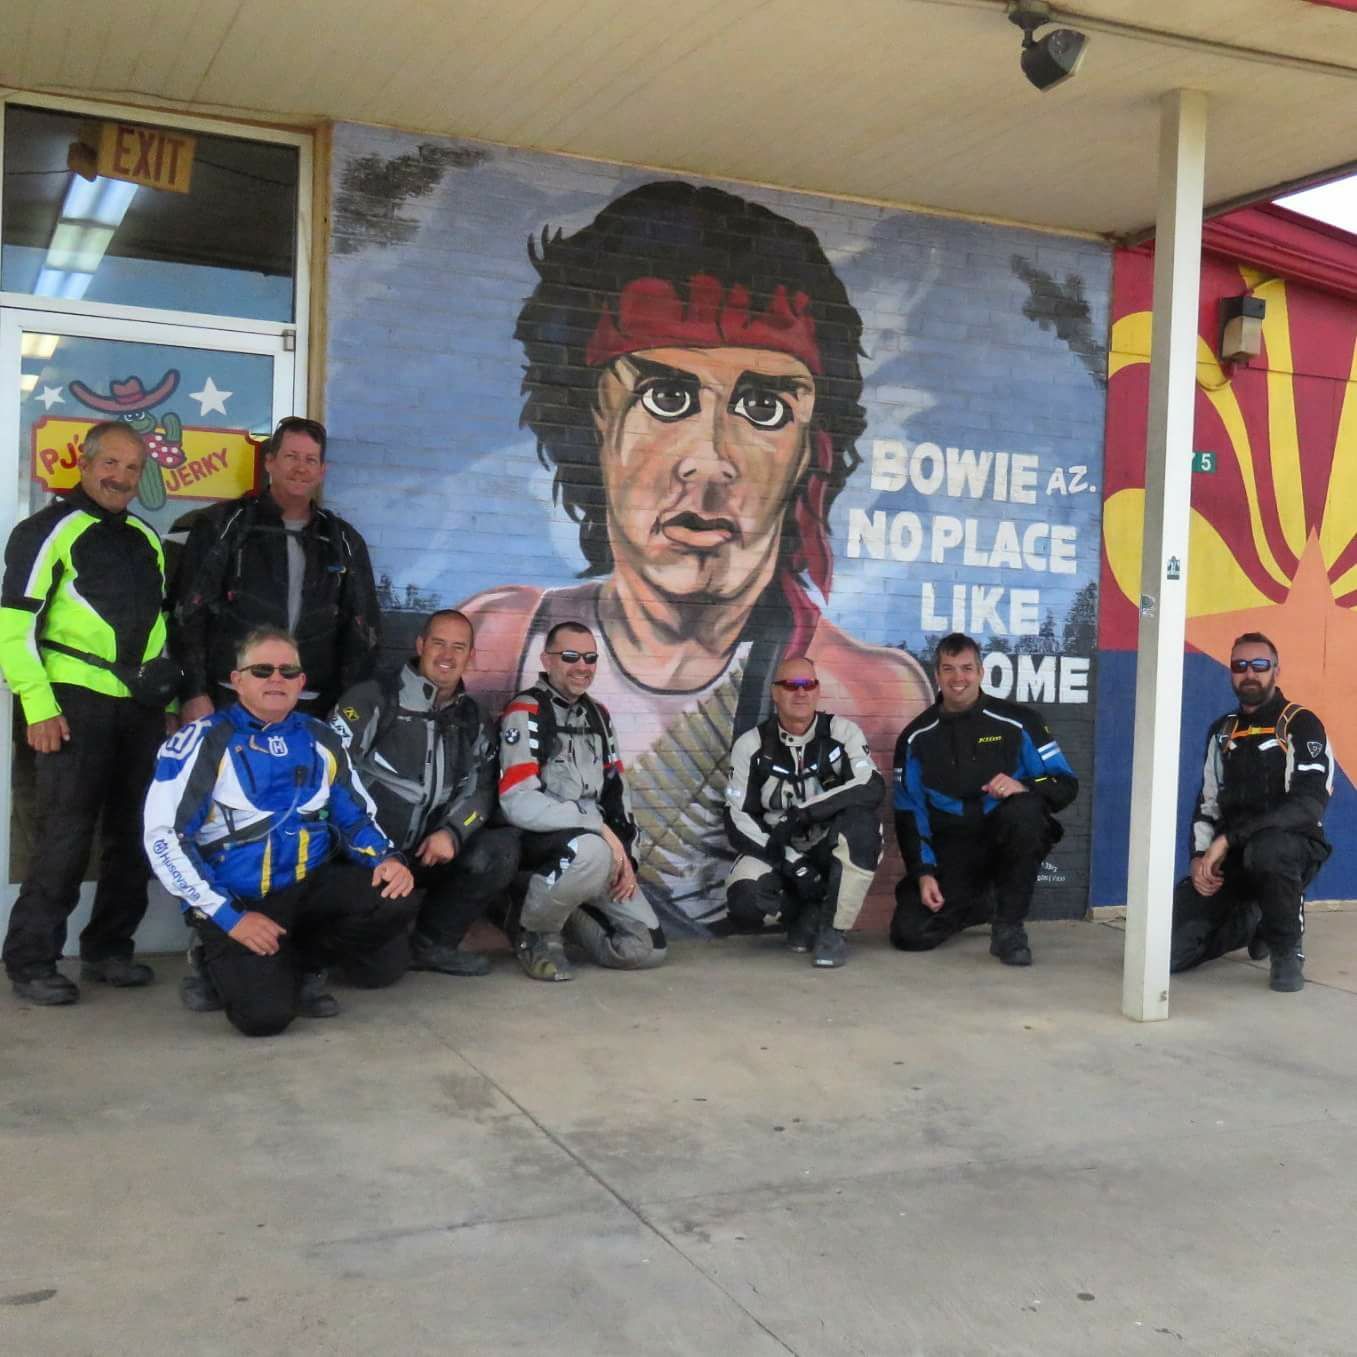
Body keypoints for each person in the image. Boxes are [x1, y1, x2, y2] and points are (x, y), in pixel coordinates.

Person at [458, 181, 930, 929]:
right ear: (588, 423)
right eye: (666, 398)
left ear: (813, 450)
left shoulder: (868, 691)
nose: (709, 464)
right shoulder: (500, 642)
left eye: (765, 407)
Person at [143, 627, 415, 1037]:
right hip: (237, 901)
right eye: (262, 670)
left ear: (302, 682)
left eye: (288, 671)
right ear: (237, 680)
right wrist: (229, 918)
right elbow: (164, 839)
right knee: (264, 1018)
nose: (276, 679)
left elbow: (355, 816)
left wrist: (387, 859)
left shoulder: (322, 739)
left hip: (304, 889)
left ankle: (301, 965)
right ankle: (212, 959)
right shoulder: (203, 741)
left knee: (394, 897)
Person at [1, 423, 174, 1005]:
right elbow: (12, 626)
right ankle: (31, 960)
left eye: (132, 468)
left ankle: (109, 950)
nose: (121, 477)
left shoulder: (147, 538)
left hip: (141, 709)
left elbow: (159, 628)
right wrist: (37, 704)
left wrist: (168, 703)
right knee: (65, 835)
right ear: (85, 462)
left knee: (134, 834)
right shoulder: (46, 530)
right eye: (112, 464)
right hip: (72, 702)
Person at [329, 609, 519, 977]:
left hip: (428, 855)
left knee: (500, 849)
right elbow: (332, 779)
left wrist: (452, 832)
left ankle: (434, 944)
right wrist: (376, 852)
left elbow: (482, 789)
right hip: (367, 857)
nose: (447, 656)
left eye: (458, 647)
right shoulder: (372, 697)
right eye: (439, 644)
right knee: (376, 972)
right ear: (420, 645)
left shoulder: (473, 715)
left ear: (471, 656)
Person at [171, 415, 380, 721]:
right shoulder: (225, 525)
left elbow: (363, 631)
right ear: (269, 462)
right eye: (291, 456)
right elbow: (188, 614)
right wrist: (193, 692)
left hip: (311, 706)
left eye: (310, 459)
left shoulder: (342, 540)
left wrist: (349, 708)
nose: (300, 467)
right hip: (230, 698)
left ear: (322, 471)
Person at [890, 633, 1077, 965]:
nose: (957, 678)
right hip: (954, 845)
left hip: (1003, 836)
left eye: (966, 668)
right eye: (948, 669)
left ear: (981, 671)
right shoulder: (916, 737)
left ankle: (1009, 928)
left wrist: (1026, 787)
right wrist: (924, 873)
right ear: (937, 675)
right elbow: (909, 812)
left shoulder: (1020, 721)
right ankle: (981, 900)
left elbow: (1065, 785)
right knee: (910, 934)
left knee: (1026, 810)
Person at [497, 621, 667, 982]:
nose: (582, 666)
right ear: (546, 659)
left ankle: (562, 911)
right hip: (546, 844)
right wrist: (596, 827)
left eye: (590, 657)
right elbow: (518, 800)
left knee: (647, 948)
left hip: (599, 847)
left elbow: (617, 792)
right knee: (590, 850)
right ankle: (535, 933)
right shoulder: (526, 711)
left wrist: (628, 857)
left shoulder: (599, 716)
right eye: (570, 656)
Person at [1170, 633, 1332, 992]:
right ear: (1230, 673)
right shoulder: (1222, 731)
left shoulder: (1301, 724)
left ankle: (1286, 947)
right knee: (1167, 954)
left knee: (1269, 850)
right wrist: (1199, 857)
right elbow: (1207, 803)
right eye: (1239, 666)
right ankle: (1254, 918)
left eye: (1260, 665)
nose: (1249, 674)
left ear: (1276, 670)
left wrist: (1228, 838)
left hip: (1288, 850)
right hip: (1231, 858)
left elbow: (1307, 806)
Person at [722, 656, 884, 968]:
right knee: (745, 902)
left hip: (829, 847)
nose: (801, 692)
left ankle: (833, 932)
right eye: (791, 685)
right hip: (777, 848)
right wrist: (790, 862)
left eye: (808, 684)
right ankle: (808, 915)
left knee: (864, 827)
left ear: (818, 690)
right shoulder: (750, 745)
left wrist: (802, 814)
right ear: (775, 692)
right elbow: (736, 817)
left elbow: (870, 786)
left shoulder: (843, 733)